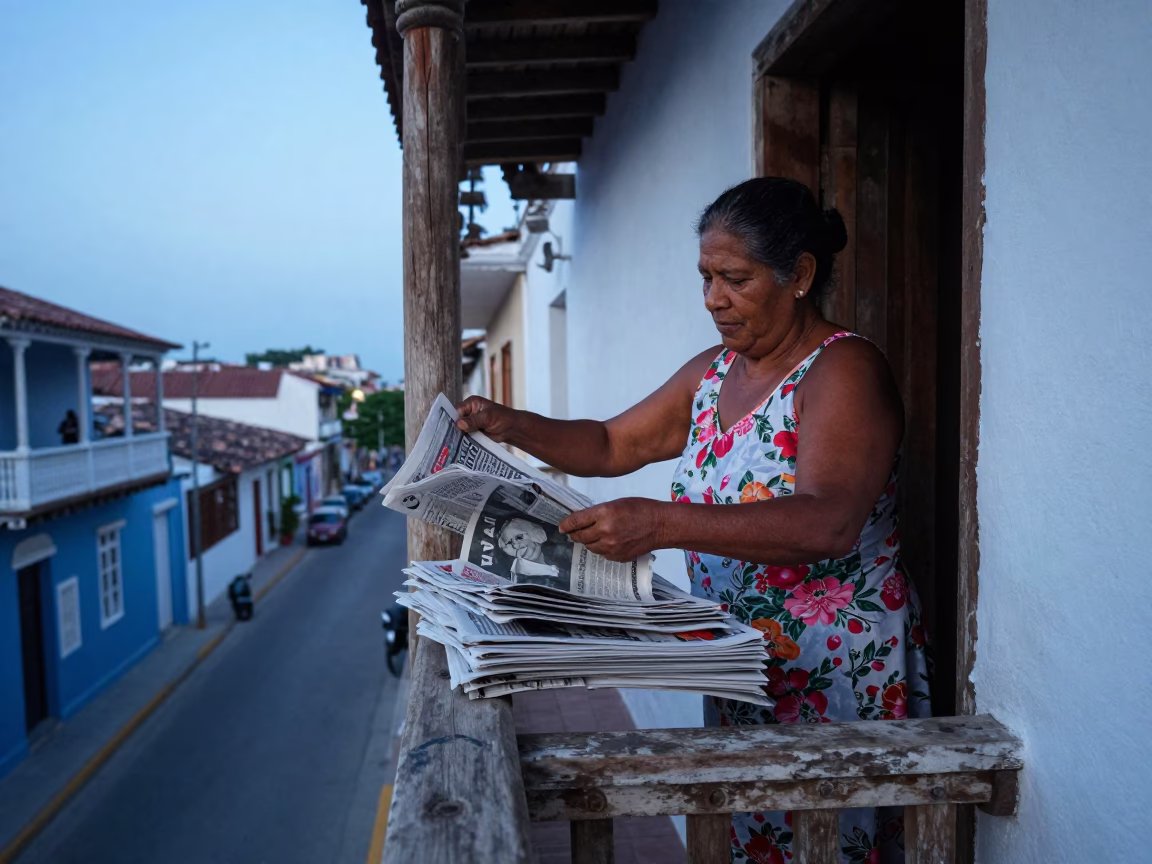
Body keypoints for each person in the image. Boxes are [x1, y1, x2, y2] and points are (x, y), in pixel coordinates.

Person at [456, 177, 931, 862]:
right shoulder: (714, 373)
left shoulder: (844, 370)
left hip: (838, 672)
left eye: (734, 279)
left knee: (833, 842)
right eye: (706, 277)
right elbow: (612, 444)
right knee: (763, 837)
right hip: (751, 666)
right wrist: (508, 423)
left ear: (799, 274)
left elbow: (828, 521)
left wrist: (662, 523)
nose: (713, 299)